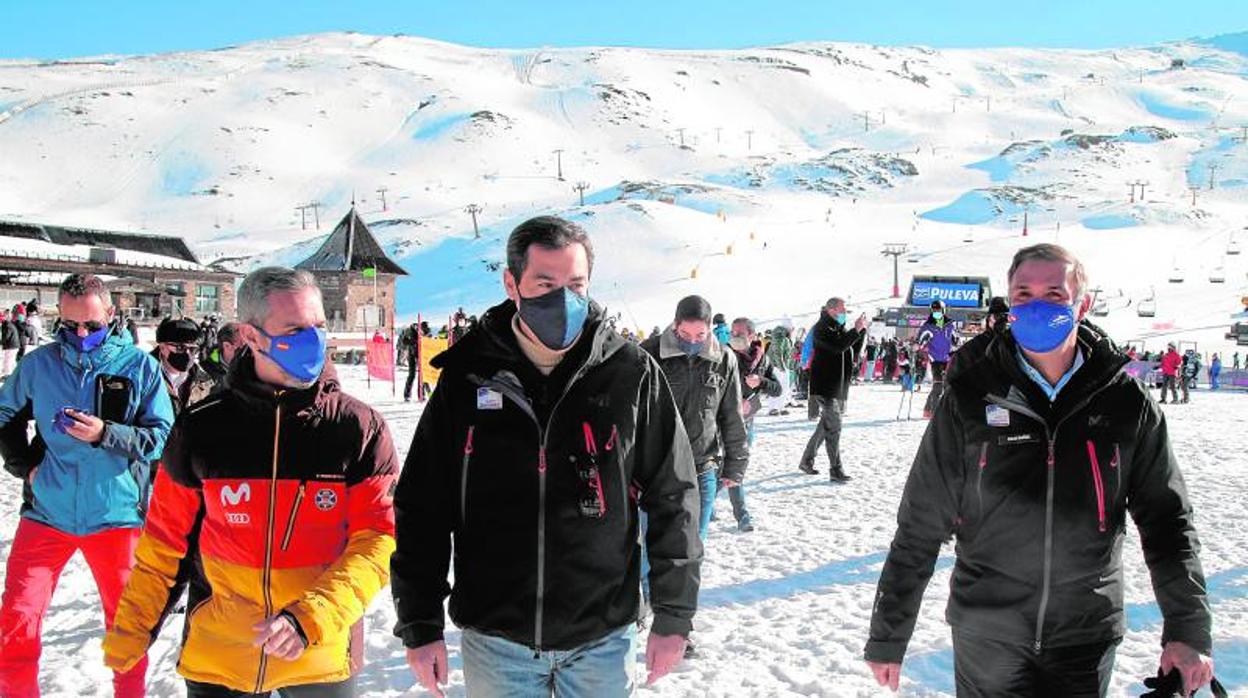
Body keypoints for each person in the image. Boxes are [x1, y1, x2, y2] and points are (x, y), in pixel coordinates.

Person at [865, 244, 1214, 698]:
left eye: (1054, 294)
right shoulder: (972, 395)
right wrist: (889, 634)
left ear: (1082, 305)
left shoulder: (1126, 403)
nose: (1036, 307)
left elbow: (1168, 522)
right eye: (1023, 294)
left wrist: (1188, 630)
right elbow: (921, 522)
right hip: (987, 631)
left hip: (1084, 634)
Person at [392, 216, 701, 697]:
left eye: (575, 284)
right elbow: (423, 505)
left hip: (601, 636)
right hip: (497, 638)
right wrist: (419, 622)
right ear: (511, 284)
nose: (563, 299)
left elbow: (673, 495)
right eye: (545, 284)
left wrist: (674, 616)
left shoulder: (630, 373)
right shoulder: (469, 376)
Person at [103, 267, 399, 697]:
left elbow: (379, 540)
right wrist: (133, 627)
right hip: (220, 654)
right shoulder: (202, 427)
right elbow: (165, 540)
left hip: (319, 651)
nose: (313, 340)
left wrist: (313, 616)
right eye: (294, 329)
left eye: (318, 326)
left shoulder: (357, 428)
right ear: (250, 335)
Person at [0, 273, 174, 697]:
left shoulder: (140, 367)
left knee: (127, 628)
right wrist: (26, 466)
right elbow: (5, 416)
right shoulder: (39, 365)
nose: (81, 335)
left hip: (117, 517)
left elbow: (162, 438)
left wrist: (106, 433)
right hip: (47, 514)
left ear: (111, 314)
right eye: (70, 325)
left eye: (92, 325)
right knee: (17, 620)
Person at [643, 297, 749, 540]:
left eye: (700, 334)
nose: (692, 341)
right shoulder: (649, 353)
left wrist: (735, 464)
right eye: (685, 334)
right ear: (675, 325)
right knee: (654, 549)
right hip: (658, 470)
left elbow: (731, 415)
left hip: (702, 467)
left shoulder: (724, 358)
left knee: (693, 548)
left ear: (710, 328)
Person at [799, 298, 866, 481]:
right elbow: (838, 347)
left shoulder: (838, 327)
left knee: (825, 426)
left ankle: (806, 460)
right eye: (842, 309)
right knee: (834, 426)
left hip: (836, 385)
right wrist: (855, 330)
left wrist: (861, 331)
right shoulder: (821, 328)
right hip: (824, 386)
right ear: (832, 309)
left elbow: (851, 348)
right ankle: (835, 469)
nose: (845, 312)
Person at [726, 317, 781, 532]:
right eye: (732, 333)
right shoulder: (725, 355)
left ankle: (738, 515)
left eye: (739, 334)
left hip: (747, 423)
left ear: (751, 335)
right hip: (723, 421)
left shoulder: (762, 360)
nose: (734, 337)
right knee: (722, 468)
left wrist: (761, 382)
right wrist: (733, 401)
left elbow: (777, 389)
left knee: (736, 468)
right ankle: (733, 513)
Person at [153, 317, 220, 412]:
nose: (187, 354)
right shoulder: (145, 377)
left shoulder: (204, 382)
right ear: (163, 348)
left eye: (193, 349)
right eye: (180, 348)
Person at [917, 299, 959, 418]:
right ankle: (934, 413)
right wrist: (918, 344)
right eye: (934, 311)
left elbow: (955, 339)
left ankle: (928, 409)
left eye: (939, 310)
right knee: (938, 385)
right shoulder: (928, 326)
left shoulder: (950, 325)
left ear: (943, 310)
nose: (937, 313)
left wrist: (957, 342)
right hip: (935, 359)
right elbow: (920, 340)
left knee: (947, 386)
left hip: (947, 358)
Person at [399, 321, 421, 402]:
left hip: (421, 354)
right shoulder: (409, 330)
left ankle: (422, 394)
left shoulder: (423, 328)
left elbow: (427, 337)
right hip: (412, 355)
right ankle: (407, 395)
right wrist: (411, 342)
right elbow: (404, 341)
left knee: (422, 376)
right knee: (412, 375)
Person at [0, 309, 18, 379]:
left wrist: (1, 342)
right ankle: (13, 374)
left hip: (11, 345)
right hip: (14, 345)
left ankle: (7, 375)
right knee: (11, 360)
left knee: (8, 360)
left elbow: (6, 336)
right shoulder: (9, 323)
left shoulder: (6, 325)